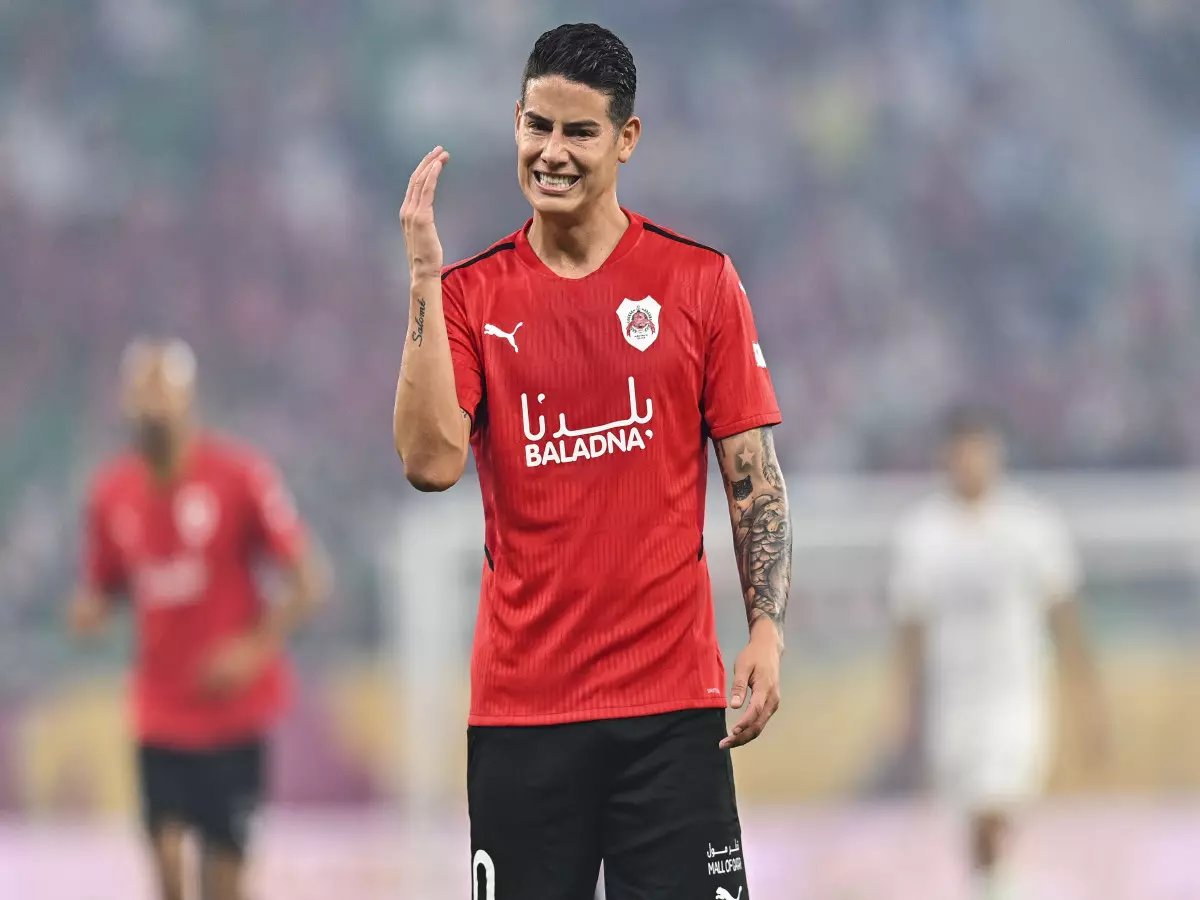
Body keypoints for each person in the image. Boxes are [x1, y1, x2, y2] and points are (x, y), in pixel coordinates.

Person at [392, 22, 792, 900]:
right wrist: (424, 283)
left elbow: (753, 476)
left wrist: (764, 627)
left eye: (579, 132)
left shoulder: (699, 282)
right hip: (523, 716)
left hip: (673, 715)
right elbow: (429, 463)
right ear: (516, 125)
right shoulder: (469, 294)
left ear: (626, 139)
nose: (552, 153)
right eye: (537, 127)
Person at [68, 337, 328, 900]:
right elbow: (104, 582)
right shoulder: (110, 493)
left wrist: (253, 650)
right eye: (141, 393)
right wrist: (89, 609)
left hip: (233, 717)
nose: (151, 405)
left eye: (162, 391)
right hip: (159, 714)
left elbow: (310, 581)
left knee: (225, 883)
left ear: (190, 399)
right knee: (164, 866)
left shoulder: (240, 477)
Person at [889, 408, 1106, 900]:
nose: (970, 462)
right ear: (947, 457)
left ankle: (996, 885)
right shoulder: (923, 534)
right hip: (954, 701)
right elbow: (910, 628)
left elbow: (1066, 620)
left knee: (995, 804)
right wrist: (902, 706)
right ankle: (992, 886)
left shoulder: (1031, 527)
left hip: (1015, 697)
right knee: (974, 817)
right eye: (961, 451)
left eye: (979, 450)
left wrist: (1087, 699)